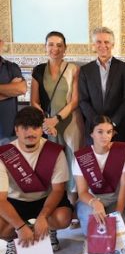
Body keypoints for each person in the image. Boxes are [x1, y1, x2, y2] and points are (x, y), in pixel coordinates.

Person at [0, 106, 71, 254]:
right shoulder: (4, 154)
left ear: (42, 130)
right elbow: (1, 199)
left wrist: (43, 216)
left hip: (44, 199)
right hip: (16, 201)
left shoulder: (54, 151)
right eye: (24, 128)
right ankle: (12, 240)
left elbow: (59, 190)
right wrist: (19, 227)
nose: (30, 133)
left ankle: (49, 231)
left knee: (63, 217)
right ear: (16, 130)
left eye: (35, 127)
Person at [30, 31, 84, 205]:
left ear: (65, 48)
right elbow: (34, 101)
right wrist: (46, 122)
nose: (55, 49)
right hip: (46, 125)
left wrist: (56, 119)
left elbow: (75, 101)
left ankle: (73, 205)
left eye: (59, 45)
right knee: (52, 163)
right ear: (45, 47)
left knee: (71, 160)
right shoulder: (38, 70)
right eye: (51, 44)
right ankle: (55, 204)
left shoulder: (73, 69)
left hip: (69, 123)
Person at [73, 116, 125, 254]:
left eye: (109, 132)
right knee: (91, 219)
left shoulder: (121, 151)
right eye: (100, 131)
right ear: (91, 134)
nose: (105, 136)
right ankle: (90, 241)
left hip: (115, 198)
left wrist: (118, 211)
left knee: (121, 222)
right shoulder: (83, 156)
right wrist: (95, 203)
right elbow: (82, 192)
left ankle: (122, 243)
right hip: (91, 201)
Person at [78, 27, 125, 144]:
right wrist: (98, 123)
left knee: (118, 161)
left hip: (119, 128)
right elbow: (83, 100)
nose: (103, 45)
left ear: (112, 44)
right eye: (98, 42)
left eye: (106, 42)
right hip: (94, 129)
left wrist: (112, 123)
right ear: (94, 45)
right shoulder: (85, 70)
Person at [0, 36, 27, 144]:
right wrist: (9, 89)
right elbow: (15, 89)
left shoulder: (11, 67)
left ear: (1, 44)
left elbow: (21, 88)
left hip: (8, 134)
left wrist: (14, 89)